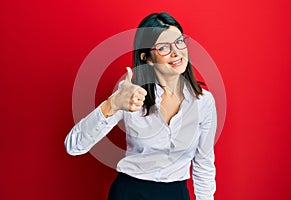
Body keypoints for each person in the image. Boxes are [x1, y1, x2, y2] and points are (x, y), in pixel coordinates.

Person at [64, 12, 217, 200]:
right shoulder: (129, 95)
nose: (176, 52)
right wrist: (112, 105)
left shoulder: (203, 102)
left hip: (176, 193)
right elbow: (73, 146)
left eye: (179, 41)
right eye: (163, 47)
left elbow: (204, 164)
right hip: (131, 192)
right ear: (147, 58)